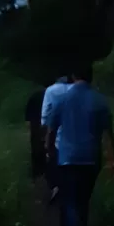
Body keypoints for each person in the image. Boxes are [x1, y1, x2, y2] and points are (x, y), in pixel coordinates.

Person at [46, 62, 114, 226]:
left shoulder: (62, 99)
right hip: (91, 159)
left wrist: (49, 151)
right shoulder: (99, 101)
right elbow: (108, 135)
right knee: (83, 200)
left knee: (69, 201)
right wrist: (112, 160)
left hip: (67, 157)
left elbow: (51, 130)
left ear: (73, 76)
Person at [40, 74, 71, 204]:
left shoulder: (50, 90)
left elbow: (45, 114)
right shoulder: (73, 89)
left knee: (53, 157)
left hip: (56, 132)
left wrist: (44, 128)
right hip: (73, 133)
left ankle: (56, 186)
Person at [24, 85, 47, 180]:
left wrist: (29, 124)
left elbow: (28, 114)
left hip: (35, 124)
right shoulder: (54, 95)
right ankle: (47, 171)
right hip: (47, 123)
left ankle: (36, 173)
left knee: (36, 147)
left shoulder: (35, 95)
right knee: (48, 146)